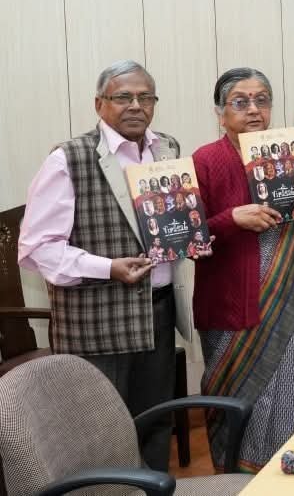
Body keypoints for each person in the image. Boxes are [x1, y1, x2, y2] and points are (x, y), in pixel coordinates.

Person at [17, 60, 189, 471]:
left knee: (155, 423)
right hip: (96, 321)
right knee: (95, 435)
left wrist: (189, 238)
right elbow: (37, 248)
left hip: (158, 311)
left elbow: (171, 222)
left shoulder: (167, 148)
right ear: (100, 104)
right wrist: (107, 267)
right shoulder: (69, 159)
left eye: (145, 97)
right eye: (123, 97)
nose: (136, 106)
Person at [191, 68, 294, 472]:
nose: (253, 110)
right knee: (240, 400)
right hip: (231, 306)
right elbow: (188, 240)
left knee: (292, 390)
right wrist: (232, 219)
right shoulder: (205, 160)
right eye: (241, 101)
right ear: (220, 113)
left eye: (262, 100)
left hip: (285, 301)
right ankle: (239, 480)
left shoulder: (286, 155)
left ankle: (291, 473)